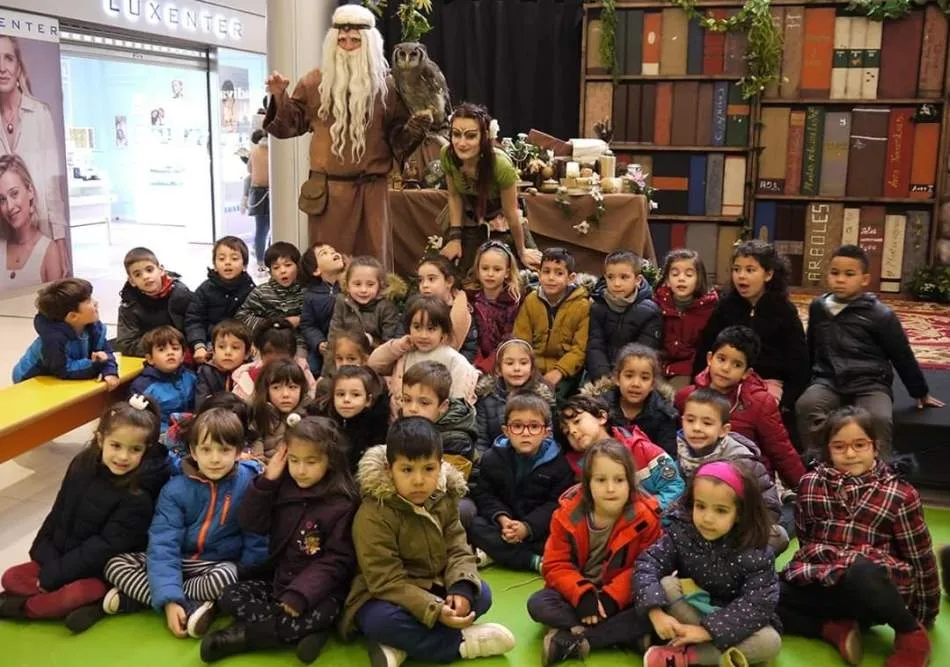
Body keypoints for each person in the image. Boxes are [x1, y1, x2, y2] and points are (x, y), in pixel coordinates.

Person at [339, 418, 517, 666]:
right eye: (407, 470)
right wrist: (433, 609)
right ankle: (459, 644)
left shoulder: (443, 500)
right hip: (386, 596)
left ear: (441, 466)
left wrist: (460, 590)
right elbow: (385, 580)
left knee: (482, 594)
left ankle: (402, 647)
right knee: (378, 620)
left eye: (429, 469)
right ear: (390, 469)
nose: (419, 480)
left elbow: (459, 550)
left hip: (435, 584)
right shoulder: (373, 513)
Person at [263, 4, 431, 266]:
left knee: (373, 265)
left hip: (371, 193)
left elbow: (398, 139)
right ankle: (326, 308)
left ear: (369, 43)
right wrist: (278, 96)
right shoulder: (313, 83)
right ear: (333, 41)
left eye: (355, 40)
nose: (348, 45)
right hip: (328, 195)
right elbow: (288, 126)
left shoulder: (386, 87)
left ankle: (376, 308)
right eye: (342, 39)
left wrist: (414, 129)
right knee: (328, 264)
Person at [778, 406, 939, 667]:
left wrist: (923, 615)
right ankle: (831, 629)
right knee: (760, 594)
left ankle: (911, 636)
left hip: (871, 592)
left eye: (859, 445)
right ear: (828, 450)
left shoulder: (899, 493)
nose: (850, 454)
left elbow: (920, 556)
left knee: (862, 573)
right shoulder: (809, 485)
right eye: (839, 447)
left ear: (875, 448)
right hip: (823, 580)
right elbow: (807, 539)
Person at [0, 397, 169, 628]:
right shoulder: (81, 464)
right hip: (61, 557)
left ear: (145, 451)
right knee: (10, 577)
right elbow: (58, 511)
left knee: (77, 594)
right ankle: (52, 600)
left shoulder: (137, 498)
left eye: (135, 449)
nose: (123, 457)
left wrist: (53, 577)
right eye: (116, 445)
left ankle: (24, 608)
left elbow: (102, 549)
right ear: (101, 439)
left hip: (98, 571)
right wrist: (44, 555)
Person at [201, 416, 358, 664]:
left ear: (331, 461)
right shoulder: (283, 486)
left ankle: (244, 636)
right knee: (229, 595)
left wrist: (300, 595)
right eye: (294, 460)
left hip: (319, 593)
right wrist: (267, 481)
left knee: (326, 611)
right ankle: (298, 631)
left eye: (311, 461)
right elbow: (252, 524)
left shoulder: (342, 503)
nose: (300, 470)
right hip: (278, 582)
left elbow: (337, 560)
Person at [101, 408, 268, 638]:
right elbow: (163, 544)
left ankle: (136, 599)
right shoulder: (175, 490)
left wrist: (250, 570)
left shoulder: (249, 483)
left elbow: (256, 530)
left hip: (215, 566)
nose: (215, 458)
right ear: (193, 451)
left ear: (239, 452)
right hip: (180, 561)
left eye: (225, 450)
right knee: (115, 565)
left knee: (229, 576)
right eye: (206, 449)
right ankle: (188, 605)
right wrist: (170, 600)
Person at [796, 244, 944, 456]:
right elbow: (812, 345)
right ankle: (819, 461)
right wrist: (806, 381)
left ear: (864, 279)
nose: (840, 279)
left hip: (870, 382)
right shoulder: (818, 307)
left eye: (849, 274)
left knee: (878, 418)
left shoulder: (880, 315)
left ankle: (879, 471)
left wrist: (919, 391)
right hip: (828, 380)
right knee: (807, 405)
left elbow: (901, 354)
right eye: (834, 273)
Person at [527, 440, 663, 665]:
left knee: (655, 606)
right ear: (587, 483)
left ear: (630, 482)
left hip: (620, 597)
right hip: (577, 593)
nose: (610, 489)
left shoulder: (645, 517)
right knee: (538, 604)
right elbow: (555, 564)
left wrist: (611, 599)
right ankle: (624, 636)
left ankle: (575, 640)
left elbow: (645, 567)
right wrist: (583, 596)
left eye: (619, 480)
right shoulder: (567, 515)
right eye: (601, 480)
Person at [636, 461, 782, 667]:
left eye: (721, 510)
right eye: (700, 506)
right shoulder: (682, 531)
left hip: (735, 618)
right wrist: (655, 612)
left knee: (770, 642)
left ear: (739, 513)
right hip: (693, 607)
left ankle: (684, 657)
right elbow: (648, 563)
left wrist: (706, 632)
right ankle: (701, 648)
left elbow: (758, 603)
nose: (707, 518)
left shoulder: (756, 551)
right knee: (668, 585)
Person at [675, 326, 806, 491]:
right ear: (710, 358)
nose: (725, 368)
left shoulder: (760, 403)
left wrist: (803, 488)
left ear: (747, 372)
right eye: (721, 359)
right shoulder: (686, 397)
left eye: (736, 364)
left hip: (749, 481)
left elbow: (780, 450)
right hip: (696, 477)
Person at [694, 240, 808, 412]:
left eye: (750, 270)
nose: (741, 276)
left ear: (768, 274)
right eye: (736, 269)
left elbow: (798, 360)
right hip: (726, 378)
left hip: (767, 382)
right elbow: (706, 346)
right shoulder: (726, 306)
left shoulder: (783, 310)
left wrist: (787, 401)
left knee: (758, 412)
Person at [467, 394, 574, 572]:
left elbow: (556, 504)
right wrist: (503, 519)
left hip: (538, 528)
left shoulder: (558, 464)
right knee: (476, 526)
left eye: (534, 426)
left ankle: (499, 554)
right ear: (506, 430)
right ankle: (533, 561)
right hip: (505, 525)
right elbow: (485, 494)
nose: (525, 433)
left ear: (546, 432)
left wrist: (527, 527)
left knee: (563, 536)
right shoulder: (492, 458)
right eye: (517, 426)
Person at [676, 389, 788, 553]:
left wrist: (734, 528)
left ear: (724, 430)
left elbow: (769, 506)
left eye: (707, 423)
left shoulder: (742, 461)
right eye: (690, 420)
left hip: (737, 531)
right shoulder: (678, 453)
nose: (696, 428)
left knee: (778, 536)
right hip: (699, 525)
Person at [439, 103, 542, 274]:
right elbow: (454, 196)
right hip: (467, 216)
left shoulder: (500, 165)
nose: (461, 143)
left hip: (502, 218)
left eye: (470, 136)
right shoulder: (447, 154)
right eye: (456, 134)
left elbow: (510, 212)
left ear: (485, 136)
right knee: (454, 273)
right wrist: (455, 238)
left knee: (526, 273)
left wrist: (522, 250)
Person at [0, 36, 68, 259]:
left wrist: (59, 239)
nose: (2, 68)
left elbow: (52, 186)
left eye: (8, 58)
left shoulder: (40, 113)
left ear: (18, 64)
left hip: (40, 232)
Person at [559, 395, 684, 510]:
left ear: (602, 417)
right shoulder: (577, 470)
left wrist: (642, 513)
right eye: (566, 432)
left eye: (577, 421)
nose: (573, 431)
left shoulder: (642, 449)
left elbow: (674, 489)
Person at [369, 296, 478, 419]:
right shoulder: (405, 353)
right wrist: (397, 345)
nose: (423, 335)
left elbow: (460, 402)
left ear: (443, 332)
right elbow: (374, 364)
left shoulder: (453, 359)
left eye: (431, 329)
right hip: (401, 422)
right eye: (417, 327)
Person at [513, 247, 590, 400]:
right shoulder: (531, 301)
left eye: (559, 273)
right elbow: (521, 340)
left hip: (565, 372)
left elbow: (579, 349)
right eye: (546, 272)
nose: (551, 278)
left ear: (571, 278)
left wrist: (558, 372)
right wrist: (529, 369)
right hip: (532, 368)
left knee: (554, 400)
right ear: (539, 273)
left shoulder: (582, 306)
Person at [13, 278, 118, 387]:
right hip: (30, 379)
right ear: (73, 316)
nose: (96, 302)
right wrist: (95, 365)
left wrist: (109, 370)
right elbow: (62, 369)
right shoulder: (54, 340)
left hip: (59, 374)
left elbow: (106, 352)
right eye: (89, 301)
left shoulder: (94, 328)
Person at [585, 344, 679, 456]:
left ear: (653, 384)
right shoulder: (599, 408)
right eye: (629, 376)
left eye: (644, 378)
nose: (636, 384)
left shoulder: (664, 415)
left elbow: (667, 458)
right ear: (617, 378)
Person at [586, 249, 661, 382]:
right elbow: (595, 346)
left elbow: (644, 351)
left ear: (637, 280)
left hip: (634, 375)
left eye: (624, 277)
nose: (617, 284)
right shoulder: (598, 307)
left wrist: (623, 378)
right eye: (611, 277)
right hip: (601, 374)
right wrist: (603, 378)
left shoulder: (650, 311)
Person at [474, 338, 555, 457]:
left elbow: (547, 439)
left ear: (532, 368)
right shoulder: (487, 397)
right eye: (509, 363)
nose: (517, 368)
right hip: (496, 461)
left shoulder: (542, 398)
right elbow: (481, 440)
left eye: (523, 363)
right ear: (498, 369)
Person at [324, 255, 401, 377]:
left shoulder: (386, 308)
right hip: (344, 364)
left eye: (370, 285)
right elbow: (333, 339)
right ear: (347, 285)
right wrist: (325, 375)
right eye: (357, 284)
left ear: (379, 285)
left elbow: (389, 345)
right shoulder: (342, 303)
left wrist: (371, 342)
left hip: (375, 367)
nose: (363, 290)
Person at [400, 360, 477, 479]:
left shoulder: (457, 440)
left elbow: (448, 484)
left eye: (424, 403)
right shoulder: (404, 423)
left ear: (443, 406)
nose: (412, 409)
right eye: (407, 400)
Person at [185, 236, 255, 365]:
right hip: (211, 342)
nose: (227, 262)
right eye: (221, 259)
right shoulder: (205, 289)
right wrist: (198, 345)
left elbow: (255, 320)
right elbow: (194, 319)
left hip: (240, 343)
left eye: (234, 258)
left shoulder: (251, 290)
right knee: (207, 368)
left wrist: (254, 342)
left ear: (244, 265)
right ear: (215, 265)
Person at [654, 249, 719, 387]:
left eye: (689, 274)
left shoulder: (709, 309)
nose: (681, 278)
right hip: (657, 365)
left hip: (689, 368)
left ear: (698, 279)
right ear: (667, 279)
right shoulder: (657, 304)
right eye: (675, 274)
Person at [116, 247, 193, 357]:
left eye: (149, 270)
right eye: (138, 274)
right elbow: (126, 344)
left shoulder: (182, 294)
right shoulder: (128, 307)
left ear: (161, 270)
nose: (146, 277)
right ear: (132, 281)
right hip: (150, 360)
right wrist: (160, 349)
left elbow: (195, 325)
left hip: (184, 355)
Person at [0, 154, 65, 286]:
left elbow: (57, 305)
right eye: (2, 199)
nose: (9, 206)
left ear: (30, 191)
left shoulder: (49, 251)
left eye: (14, 193)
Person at [315, 364, 390, 473]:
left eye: (355, 395)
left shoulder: (376, 428)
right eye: (340, 394)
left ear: (368, 400)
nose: (346, 400)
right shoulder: (322, 420)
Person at [464, 240, 523, 373]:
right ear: (478, 270)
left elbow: (510, 337)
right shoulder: (470, 298)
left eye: (497, 269)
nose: (490, 274)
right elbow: (469, 335)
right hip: (473, 357)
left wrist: (489, 363)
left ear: (507, 272)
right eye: (485, 268)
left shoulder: (514, 302)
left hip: (503, 360)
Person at [236, 241, 306, 353]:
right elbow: (241, 317)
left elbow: (316, 317)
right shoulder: (261, 292)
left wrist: (300, 320)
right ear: (270, 272)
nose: (283, 271)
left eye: (288, 265)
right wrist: (272, 324)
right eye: (276, 267)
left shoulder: (305, 291)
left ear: (297, 266)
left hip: (299, 342)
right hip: (268, 342)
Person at [129, 326, 198, 434]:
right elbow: (141, 420)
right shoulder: (142, 386)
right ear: (150, 359)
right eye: (162, 350)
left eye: (175, 348)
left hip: (191, 431)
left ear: (183, 356)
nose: (170, 353)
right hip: (160, 436)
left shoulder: (191, 377)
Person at [232, 319, 317, 403]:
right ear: (261, 353)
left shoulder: (302, 371)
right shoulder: (246, 377)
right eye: (270, 352)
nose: (276, 358)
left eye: (282, 352)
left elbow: (311, 398)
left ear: (293, 354)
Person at [417, 255, 477, 361]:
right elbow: (402, 335)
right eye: (420, 280)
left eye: (431, 279)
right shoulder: (415, 307)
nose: (424, 285)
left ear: (449, 282)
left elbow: (470, 348)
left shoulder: (462, 310)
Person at [249, 359, 310, 462]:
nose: (285, 394)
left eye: (292, 387)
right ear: (266, 390)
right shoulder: (257, 414)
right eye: (276, 388)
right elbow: (254, 441)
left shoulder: (311, 415)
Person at [300, 243, 345, 375]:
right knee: (312, 368)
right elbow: (308, 325)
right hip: (326, 344)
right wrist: (319, 342)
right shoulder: (311, 296)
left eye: (333, 250)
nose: (333, 253)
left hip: (350, 340)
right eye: (324, 253)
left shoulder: (350, 285)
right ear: (316, 270)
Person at [194, 320, 252, 410]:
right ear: (213, 351)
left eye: (235, 347)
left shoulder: (251, 372)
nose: (228, 352)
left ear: (247, 354)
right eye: (221, 347)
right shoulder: (206, 371)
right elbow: (201, 406)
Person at [246, 129, 270, 272]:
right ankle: (268, 259)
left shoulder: (254, 151)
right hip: (273, 191)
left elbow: (249, 169)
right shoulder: (275, 151)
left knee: (260, 229)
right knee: (274, 228)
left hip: (258, 191)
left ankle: (260, 261)